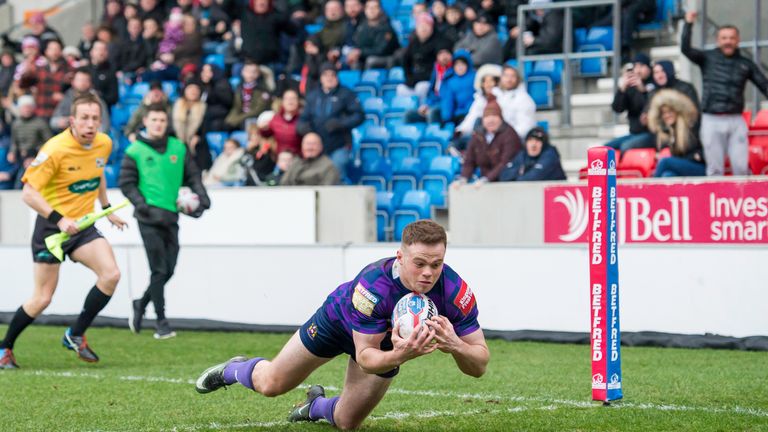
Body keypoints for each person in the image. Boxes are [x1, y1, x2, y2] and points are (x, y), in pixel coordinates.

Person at [194, 220, 489, 430]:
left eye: (436, 264)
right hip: (336, 323)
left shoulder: (454, 291)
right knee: (272, 384)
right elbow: (365, 358)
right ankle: (233, 369)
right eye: (420, 263)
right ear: (400, 256)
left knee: (347, 423)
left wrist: (456, 346)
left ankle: (313, 407)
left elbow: (479, 366)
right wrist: (403, 355)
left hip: (385, 345)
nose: (428, 273)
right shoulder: (373, 286)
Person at [0, 94, 128, 369]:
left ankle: (75, 334)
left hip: (82, 226)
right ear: (72, 120)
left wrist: (107, 208)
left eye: (95, 118)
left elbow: (98, 173)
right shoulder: (55, 149)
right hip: (51, 228)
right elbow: (28, 193)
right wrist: (59, 219)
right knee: (42, 299)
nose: (91, 124)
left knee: (111, 275)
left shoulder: (104, 143)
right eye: (84, 118)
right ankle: (4, 348)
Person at [119, 105, 210, 339]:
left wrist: (203, 198)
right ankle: (161, 323)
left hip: (171, 216)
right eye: (154, 119)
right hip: (148, 218)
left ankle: (141, 303)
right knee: (158, 269)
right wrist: (143, 206)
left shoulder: (177, 148)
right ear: (145, 122)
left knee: (169, 269)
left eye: (162, 119)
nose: (159, 123)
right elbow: (127, 184)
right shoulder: (134, 151)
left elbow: (193, 175)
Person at [682, 12, 768, 176]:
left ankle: (741, 201)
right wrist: (688, 24)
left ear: (738, 40)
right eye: (724, 38)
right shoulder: (707, 58)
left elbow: (764, 85)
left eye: (731, 38)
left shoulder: (745, 64)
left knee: (741, 168)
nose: (728, 41)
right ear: (718, 40)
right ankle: (713, 200)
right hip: (711, 119)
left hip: (736, 120)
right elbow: (685, 49)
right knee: (714, 170)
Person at [296, 63, 363, 181]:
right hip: (318, 146)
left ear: (337, 77)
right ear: (321, 78)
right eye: (325, 75)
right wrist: (306, 129)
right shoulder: (313, 96)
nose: (329, 78)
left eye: (332, 75)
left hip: (339, 144)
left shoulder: (346, 94)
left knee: (337, 174)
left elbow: (359, 115)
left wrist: (341, 123)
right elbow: (303, 119)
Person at [452, 98, 521, 187]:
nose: (490, 120)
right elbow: (469, 160)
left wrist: (487, 179)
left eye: (494, 116)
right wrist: (464, 178)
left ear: (501, 118)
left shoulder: (510, 135)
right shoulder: (477, 135)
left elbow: (505, 162)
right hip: (485, 183)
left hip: (507, 182)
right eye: (487, 117)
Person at [647, 89, 705, 178]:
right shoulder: (671, 131)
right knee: (667, 176)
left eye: (670, 111)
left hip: (700, 169)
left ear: (678, 111)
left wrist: (695, 156)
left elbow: (701, 153)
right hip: (685, 168)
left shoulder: (692, 125)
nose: (667, 115)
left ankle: (649, 191)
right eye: (663, 113)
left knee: (665, 162)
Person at [604, 53, 655, 154]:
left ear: (649, 68)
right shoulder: (631, 87)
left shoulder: (655, 84)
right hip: (634, 133)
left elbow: (651, 107)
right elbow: (617, 109)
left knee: (626, 147)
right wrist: (622, 89)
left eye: (642, 66)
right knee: (605, 149)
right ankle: (610, 170)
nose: (638, 70)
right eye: (636, 66)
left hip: (652, 134)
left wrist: (643, 90)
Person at [8, 96, 53, 189]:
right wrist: (12, 152)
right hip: (21, 156)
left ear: (33, 108)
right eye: (24, 107)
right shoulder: (16, 123)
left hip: (37, 156)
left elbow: (49, 142)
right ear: (20, 109)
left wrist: (36, 156)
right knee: (17, 183)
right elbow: (14, 141)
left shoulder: (40, 123)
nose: (27, 110)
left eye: (29, 107)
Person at [50, 68, 111, 134]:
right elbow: (53, 122)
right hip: (69, 139)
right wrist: (61, 122)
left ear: (90, 83)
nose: (82, 83)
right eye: (80, 80)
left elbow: (105, 126)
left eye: (85, 80)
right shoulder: (67, 98)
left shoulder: (97, 101)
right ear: (73, 82)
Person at [346, 0, 400, 70]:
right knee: (354, 62)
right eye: (369, 8)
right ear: (365, 10)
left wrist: (361, 52)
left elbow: (381, 50)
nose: (372, 10)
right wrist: (354, 54)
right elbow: (358, 45)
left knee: (371, 61)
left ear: (380, 10)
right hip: (366, 56)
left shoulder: (386, 28)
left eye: (375, 7)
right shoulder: (362, 27)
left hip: (386, 57)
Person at [499, 126, 566, 181]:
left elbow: (534, 177)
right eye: (530, 141)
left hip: (552, 194)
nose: (533, 145)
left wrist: (521, 173)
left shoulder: (550, 155)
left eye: (537, 141)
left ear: (544, 144)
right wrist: (521, 171)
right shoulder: (522, 154)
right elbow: (504, 176)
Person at [440, 50, 476, 126]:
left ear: (468, 65)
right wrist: (446, 117)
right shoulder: (451, 81)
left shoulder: (475, 78)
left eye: (462, 64)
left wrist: (468, 112)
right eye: (457, 65)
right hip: (457, 114)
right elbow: (448, 100)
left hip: (473, 113)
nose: (460, 67)